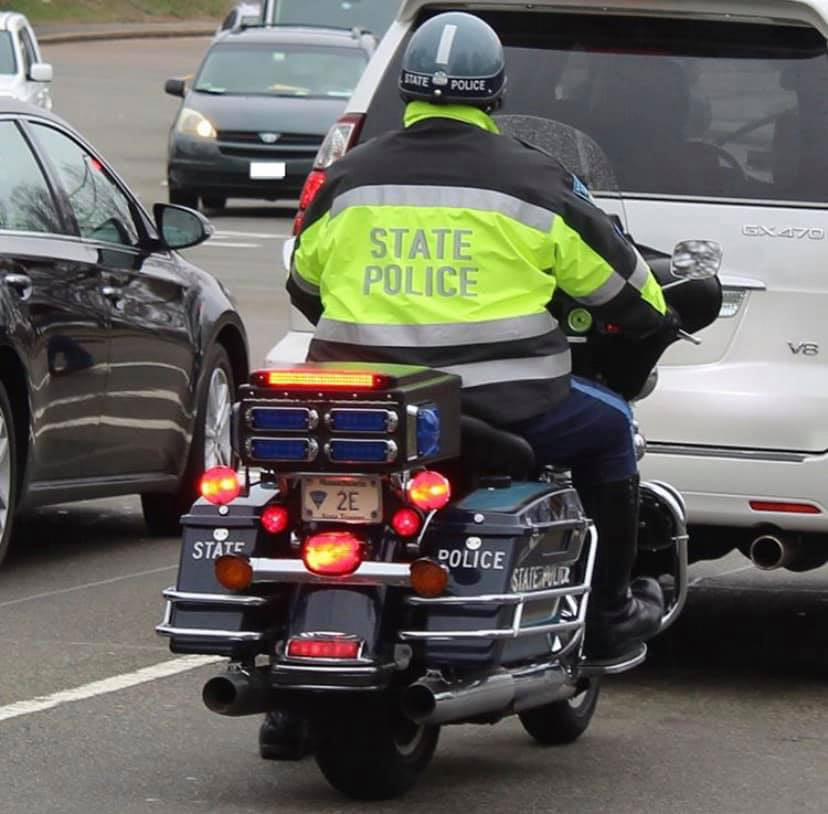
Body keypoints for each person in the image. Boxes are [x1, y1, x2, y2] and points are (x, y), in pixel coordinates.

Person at [263, 10, 674, 758]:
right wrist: (647, 312)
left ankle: (278, 679)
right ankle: (610, 612)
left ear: (408, 89)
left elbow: (303, 282)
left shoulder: (349, 177)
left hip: (359, 411)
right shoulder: (535, 179)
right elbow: (629, 295)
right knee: (610, 430)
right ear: (493, 94)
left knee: (288, 499)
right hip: (503, 404)